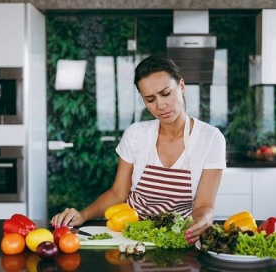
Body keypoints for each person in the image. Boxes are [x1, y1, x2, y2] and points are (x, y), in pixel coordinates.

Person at [51, 54, 226, 245]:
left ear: (181, 86)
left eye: (166, 93)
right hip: (130, 235)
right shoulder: (136, 134)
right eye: (150, 99)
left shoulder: (210, 138)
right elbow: (118, 193)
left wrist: (204, 220)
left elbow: (204, 205)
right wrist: (83, 214)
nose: (160, 105)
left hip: (178, 237)